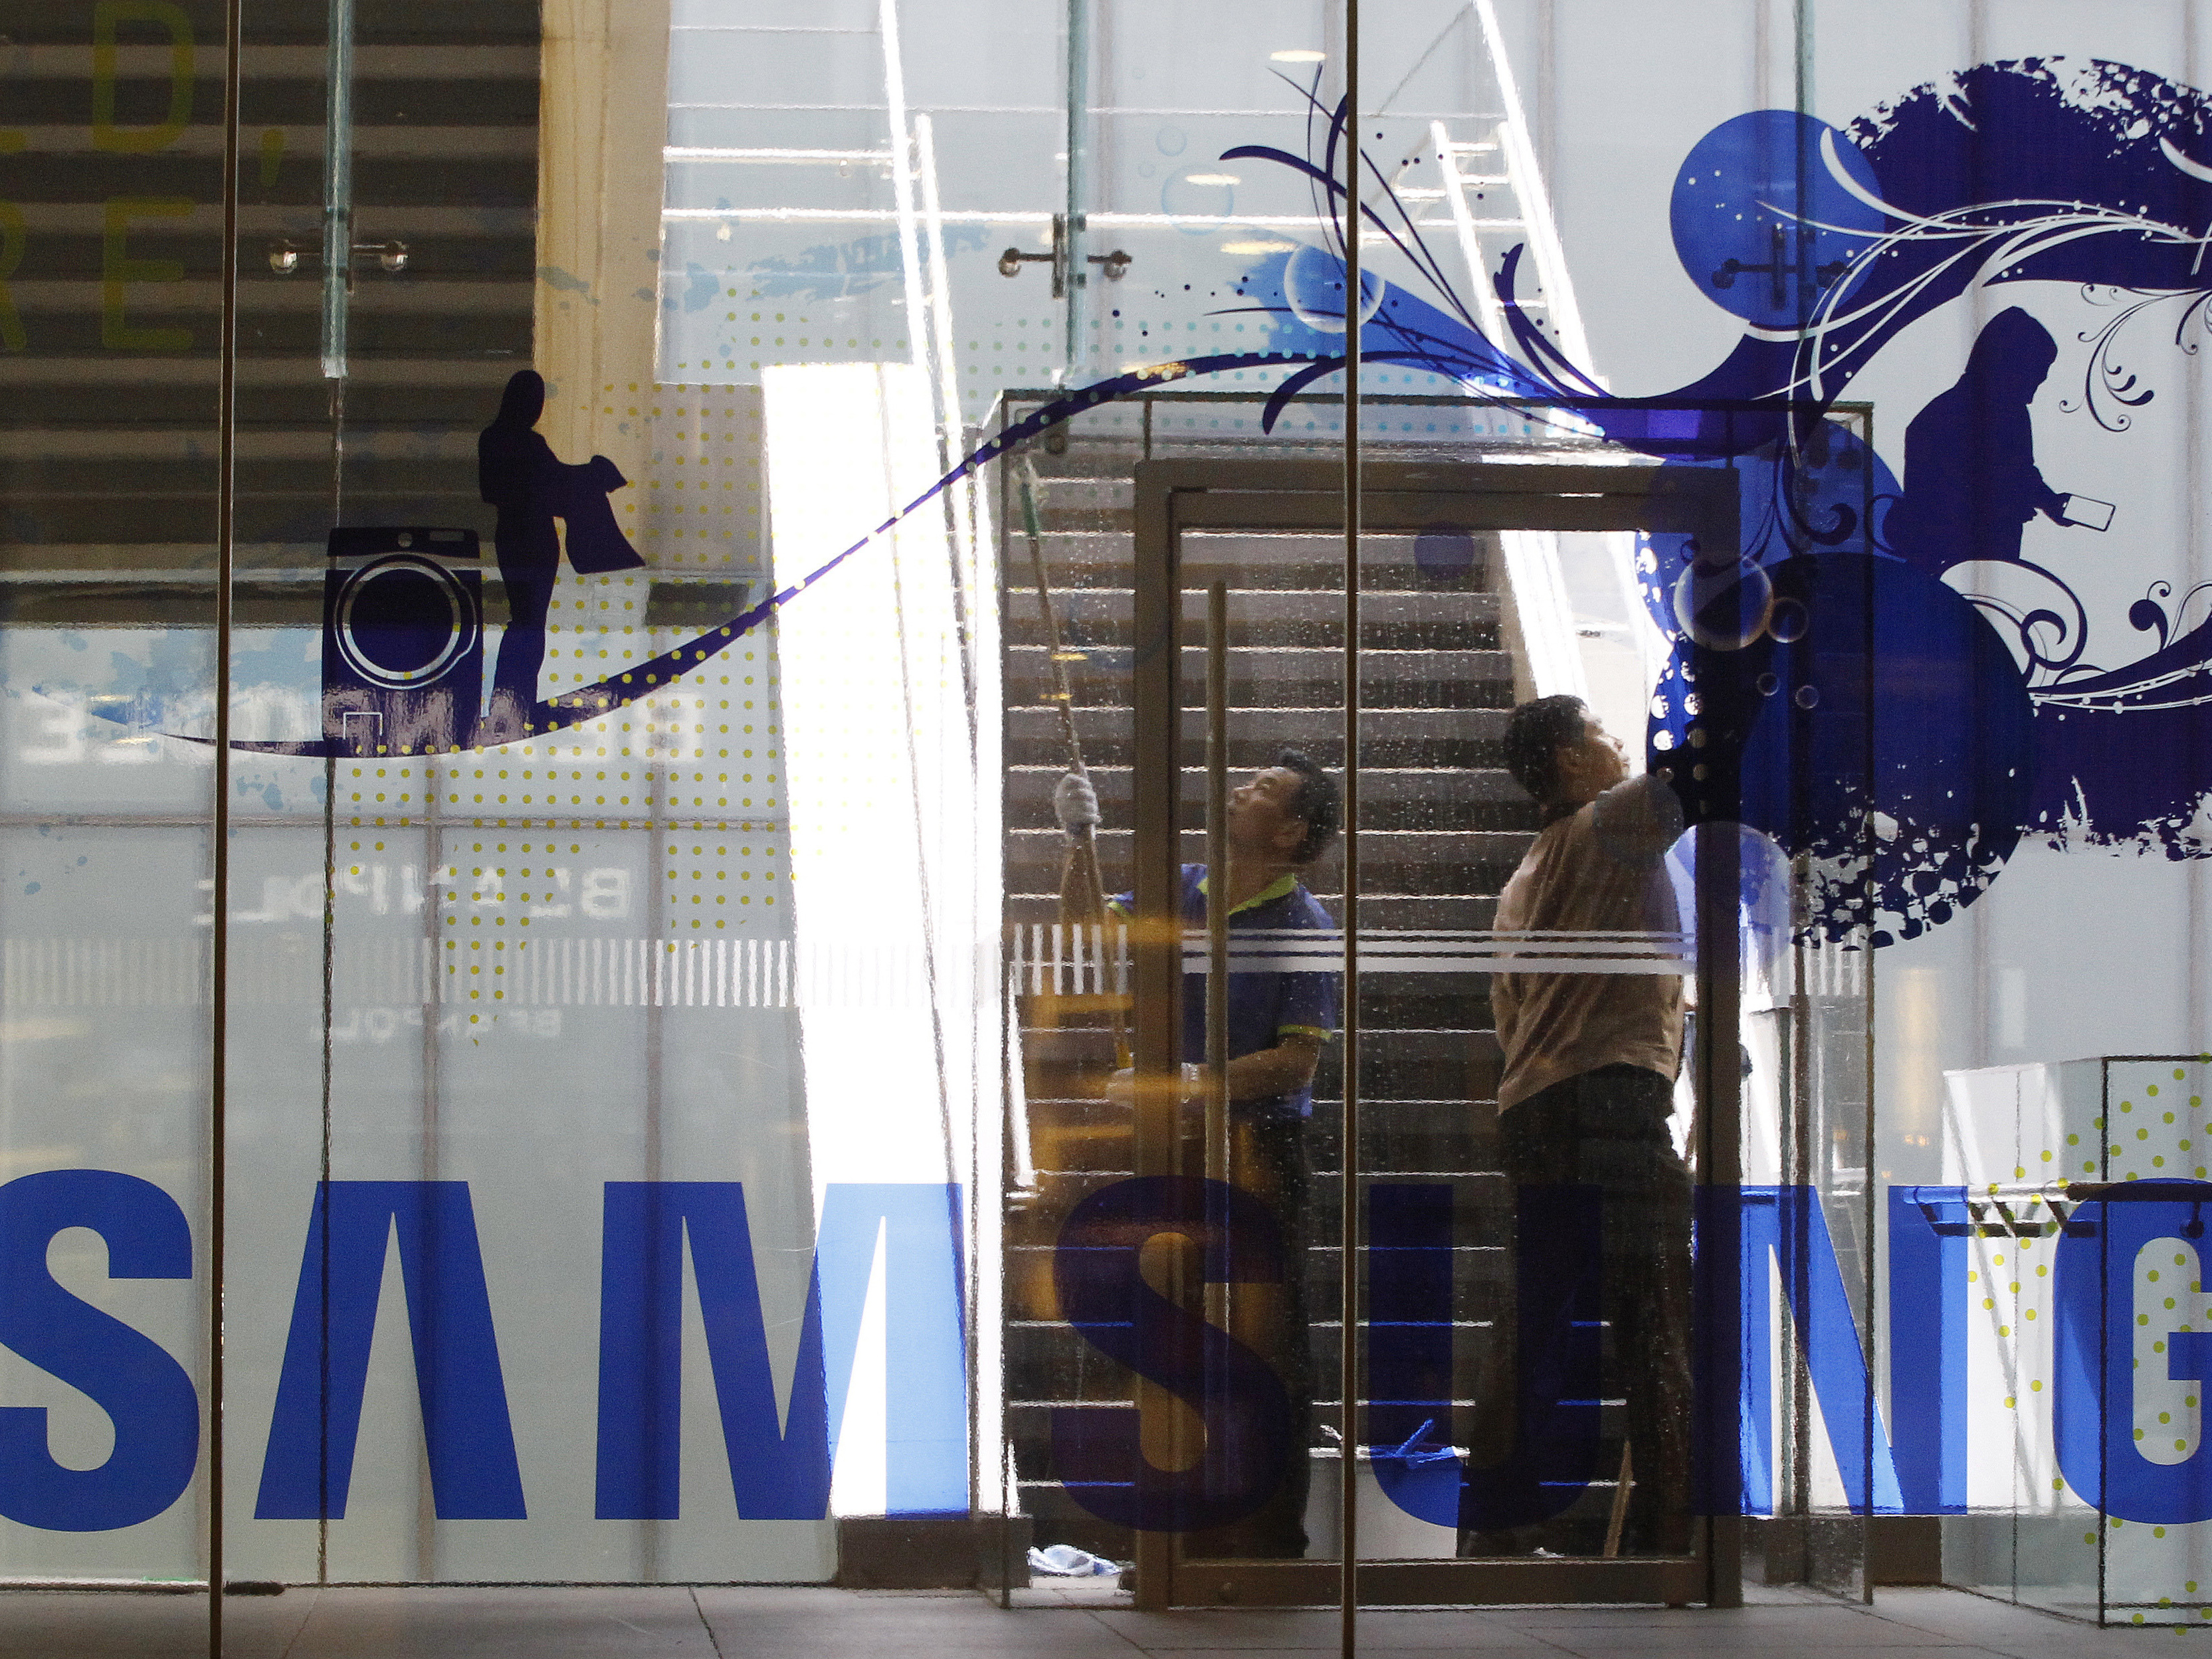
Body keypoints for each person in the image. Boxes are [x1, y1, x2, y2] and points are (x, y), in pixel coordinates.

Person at [1053, 751, 1340, 1559]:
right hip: (1177, 1150)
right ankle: (1178, 1531)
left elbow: (1296, 1060)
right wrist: (1079, 839)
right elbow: (1086, 933)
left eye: (1263, 791)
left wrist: (1192, 1081)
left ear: (1288, 832)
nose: (1239, 788)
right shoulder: (1182, 889)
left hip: (1260, 1151)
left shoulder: (1300, 925)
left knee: (1264, 1341)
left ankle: (1268, 1534)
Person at [1480, 694, 1692, 1557]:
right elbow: (1702, 770)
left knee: (1536, 1318)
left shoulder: (1523, 878)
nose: (1618, 746)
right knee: (1657, 1313)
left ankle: (1496, 1526)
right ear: (1571, 761)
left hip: (1536, 1105)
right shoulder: (1610, 824)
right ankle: (1675, 1529)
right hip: (1607, 1101)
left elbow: (1508, 1017)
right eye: (1604, 732)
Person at [476, 369, 644, 734]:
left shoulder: (496, 439)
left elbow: (545, 484)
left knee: (527, 620)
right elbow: (553, 484)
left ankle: (511, 702)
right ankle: (514, 704)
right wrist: (588, 476)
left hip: (518, 534)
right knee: (529, 622)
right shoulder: (524, 444)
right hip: (531, 537)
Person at [1885, 306, 2075, 577]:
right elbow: (1938, 503)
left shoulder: (2012, 412)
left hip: (1992, 553)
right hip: (1952, 560)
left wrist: (2049, 502)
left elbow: (2021, 472)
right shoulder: (1941, 418)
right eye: (2035, 373)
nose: (2037, 384)